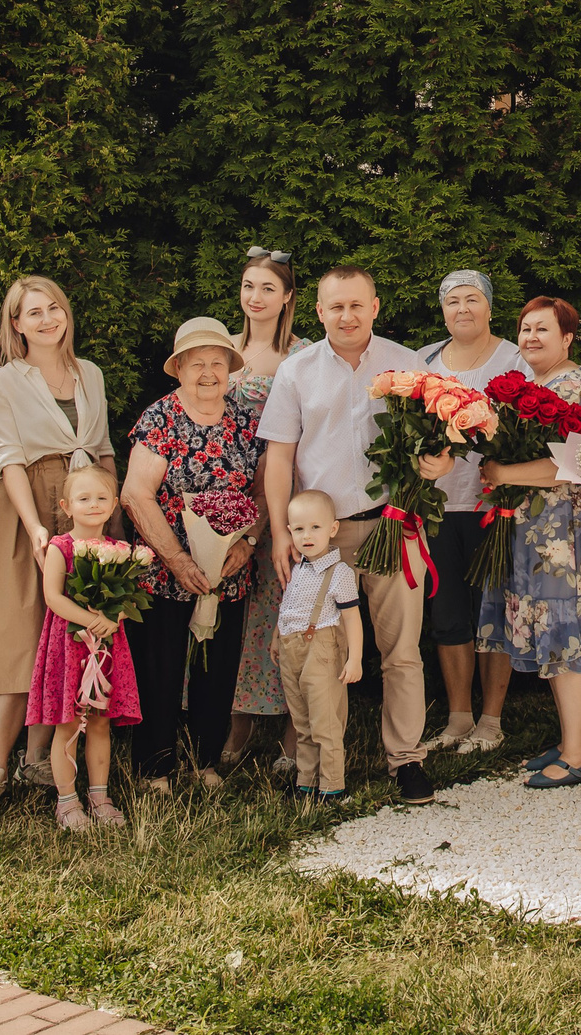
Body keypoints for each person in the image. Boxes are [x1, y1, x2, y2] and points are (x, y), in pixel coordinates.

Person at [258, 265, 438, 804]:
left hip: (391, 525)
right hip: (321, 540)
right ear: (318, 312)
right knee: (319, 654)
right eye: (336, 307)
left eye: (357, 305)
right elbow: (279, 456)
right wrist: (279, 533)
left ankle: (406, 759)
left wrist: (438, 463)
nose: (347, 316)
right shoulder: (297, 371)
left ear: (376, 307)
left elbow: (440, 443)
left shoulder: (408, 366)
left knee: (401, 651)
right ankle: (317, 768)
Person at [0, 275, 116, 828]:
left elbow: (102, 452)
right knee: (19, 640)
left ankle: (40, 763)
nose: (47, 319)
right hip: (31, 511)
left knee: (71, 642)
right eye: (33, 312)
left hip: (89, 508)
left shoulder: (88, 373)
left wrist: (109, 524)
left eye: (55, 308)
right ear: (16, 324)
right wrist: (34, 528)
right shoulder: (3, 383)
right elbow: (8, 460)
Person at [121, 318, 259, 792]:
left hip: (228, 571)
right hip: (164, 571)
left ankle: (206, 762)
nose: (207, 372)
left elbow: (262, 491)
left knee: (217, 667)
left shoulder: (245, 420)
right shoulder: (160, 418)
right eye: (196, 363)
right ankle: (154, 767)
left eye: (217, 363)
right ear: (178, 369)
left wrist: (246, 543)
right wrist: (179, 560)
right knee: (158, 668)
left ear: (229, 370)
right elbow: (136, 495)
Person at [476, 296, 581, 789]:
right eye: (525, 329)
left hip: (562, 537)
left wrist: (504, 471)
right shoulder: (536, 384)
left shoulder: (572, 387)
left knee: (566, 637)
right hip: (535, 531)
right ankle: (569, 737)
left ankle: (579, 754)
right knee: (551, 636)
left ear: (567, 337)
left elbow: (569, 464)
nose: (531, 337)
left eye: (543, 330)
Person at [414, 268, 528, 755]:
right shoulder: (422, 362)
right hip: (439, 507)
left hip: (494, 507)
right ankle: (458, 715)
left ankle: (490, 718)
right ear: (442, 310)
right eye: (452, 301)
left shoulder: (515, 358)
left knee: (495, 610)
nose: (462, 309)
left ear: (489, 306)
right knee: (448, 614)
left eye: (472, 299)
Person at [223, 248, 309, 773]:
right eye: (249, 286)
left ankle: (294, 735)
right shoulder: (221, 349)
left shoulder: (302, 356)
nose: (256, 298)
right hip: (225, 499)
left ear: (287, 298)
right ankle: (233, 726)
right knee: (233, 609)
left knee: (287, 609)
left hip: (280, 490)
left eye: (268, 289)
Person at [29, 463, 142, 833]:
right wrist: (90, 619)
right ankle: (67, 800)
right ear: (66, 506)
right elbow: (52, 598)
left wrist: (116, 617)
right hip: (70, 645)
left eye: (101, 498)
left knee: (99, 724)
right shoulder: (61, 548)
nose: (93, 505)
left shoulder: (121, 550)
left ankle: (99, 796)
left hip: (107, 648)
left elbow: (128, 598)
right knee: (68, 725)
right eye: (83, 498)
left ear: (113, 506)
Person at [274, 489, 365, 804]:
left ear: (333, 529)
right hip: (292, 648)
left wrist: (355, 659)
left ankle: (333, 787)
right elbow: (289, 606)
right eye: (299, 529)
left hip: (322, 649)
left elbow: (352, 618)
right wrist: (278, 636)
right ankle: (306, 783)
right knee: (303, 721)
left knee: (325, 722)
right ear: (290, 532)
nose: (307, 535)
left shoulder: (338, 573)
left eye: (315, 527)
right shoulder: (298, 568)